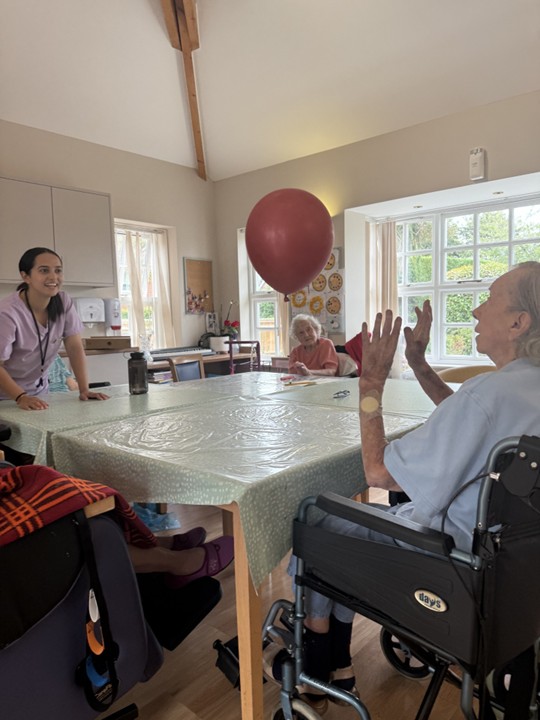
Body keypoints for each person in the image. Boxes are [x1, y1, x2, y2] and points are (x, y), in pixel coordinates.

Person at [267, 262, 540, 709]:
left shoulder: (489, 395)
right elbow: (472, 421)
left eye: (489, 299)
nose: (475, 310)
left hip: (447, 563)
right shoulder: (518, 391)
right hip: (513, 575)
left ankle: (316, 666)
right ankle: (339, 662)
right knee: (348, 527)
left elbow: (378, 473)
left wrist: (370, 384)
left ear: (518, 322)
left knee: (316, 518)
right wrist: (417, 363)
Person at [0, 247, 109, 409]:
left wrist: (84, 389)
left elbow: (74, 347)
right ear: (25, 276)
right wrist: (20, 397)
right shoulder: (7, 313)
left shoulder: (63, 301)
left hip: (39, 393)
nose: (53, 277)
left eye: (58, 270)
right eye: (44, 270)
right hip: (6, 398)